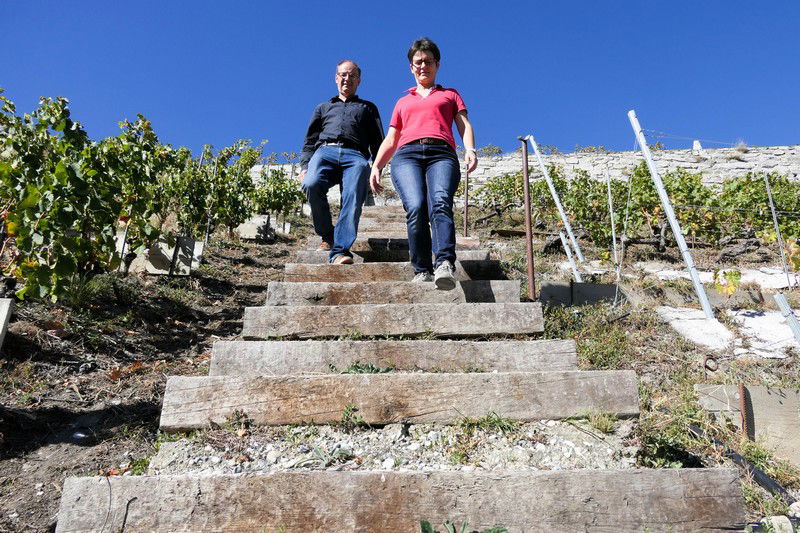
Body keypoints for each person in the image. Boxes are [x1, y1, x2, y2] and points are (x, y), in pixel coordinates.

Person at [369, 37, 477, 289]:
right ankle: (421, 269)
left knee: (439, 202)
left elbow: (464, 124)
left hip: (441, 153)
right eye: (417, 62)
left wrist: (469, 149)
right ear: (411, 67)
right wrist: (377, 166)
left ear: (437, 65)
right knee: (416, 207)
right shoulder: (402, 101)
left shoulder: (450, 95)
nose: (422, 66)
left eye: (428, 61)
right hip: (407, 155)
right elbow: (392, 138)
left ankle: (444, 263)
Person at [299, 60, 384, 264]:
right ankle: (327, 236)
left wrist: (377, 168)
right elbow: (310, 141)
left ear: (359, 80)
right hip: (325, 151)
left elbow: (378, 142)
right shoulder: (323, 107)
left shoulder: (368, 108)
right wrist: (304, 166)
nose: (347, 79)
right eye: (343, 74)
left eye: (352, 75)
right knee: (311, 183)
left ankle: (340, 251)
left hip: (356, 155)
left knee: (353, 195)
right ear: (336, 78)